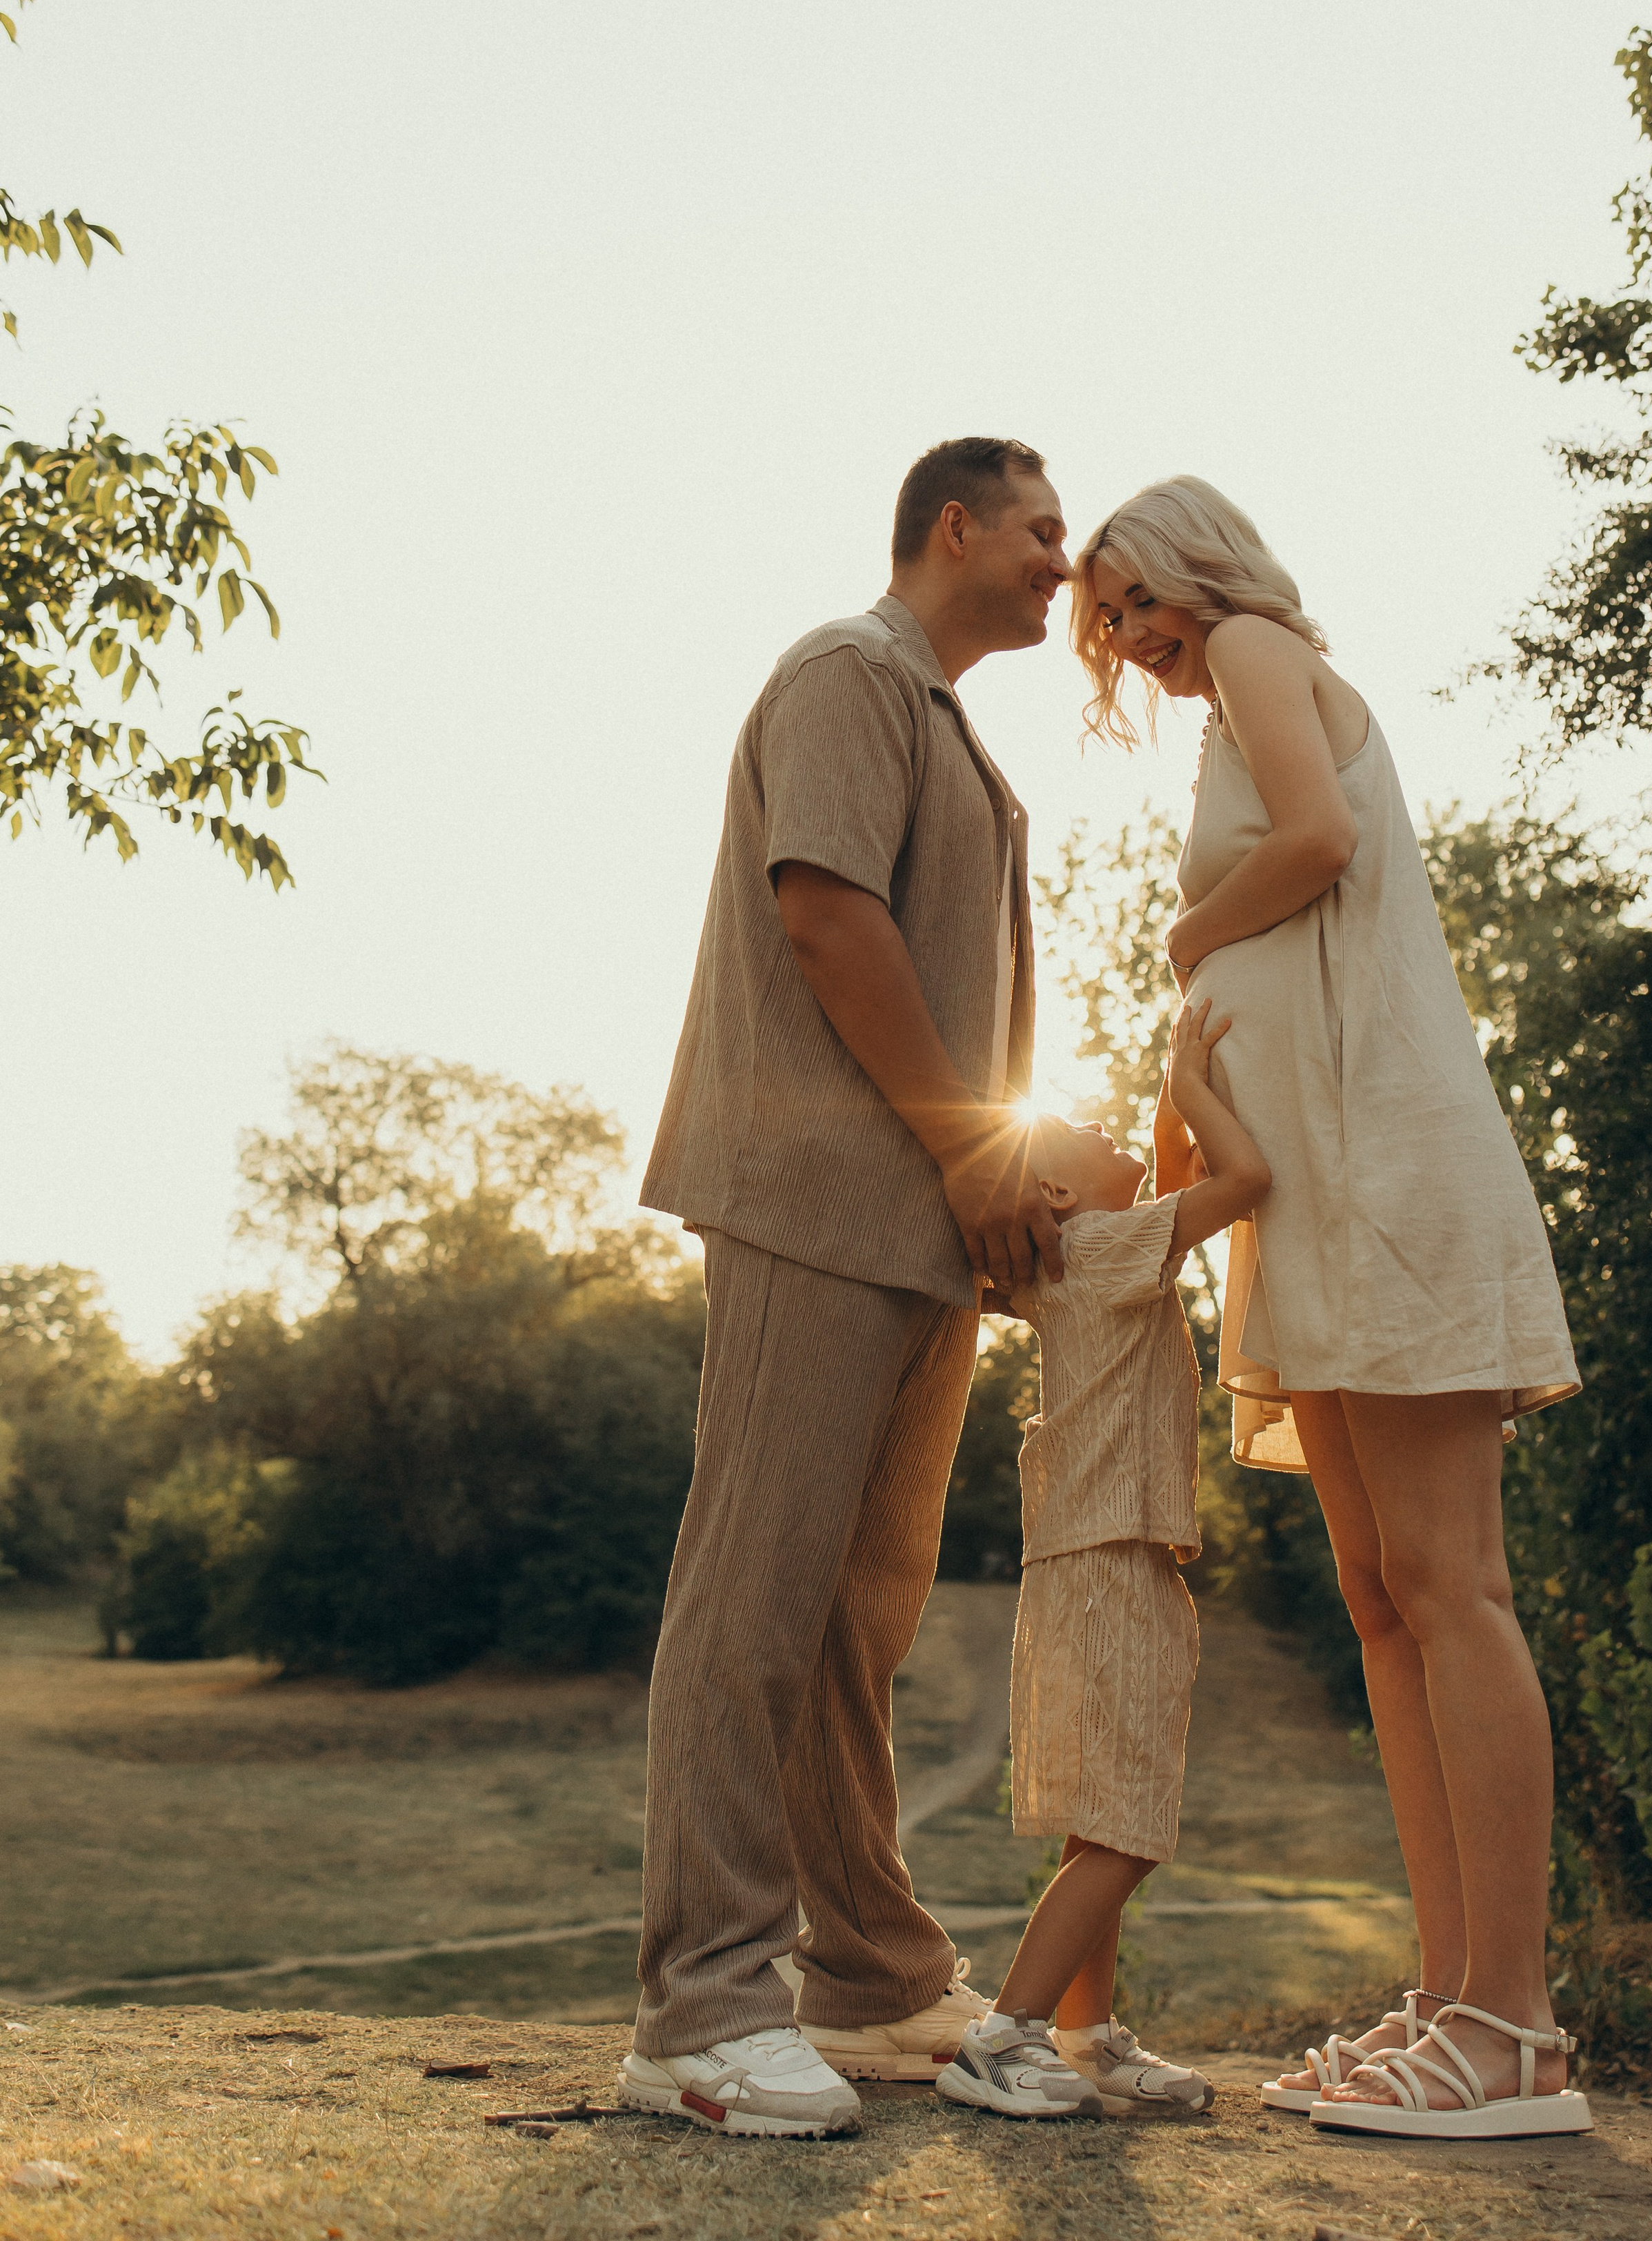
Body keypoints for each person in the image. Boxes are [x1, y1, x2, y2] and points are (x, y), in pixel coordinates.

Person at [1069, 477, 1592, 2142]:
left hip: (1387, 1180)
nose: (1131, 634)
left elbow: (1318, 843)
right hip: (1316, 1200)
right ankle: (1451, 1997)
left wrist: (1182, 936)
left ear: (1207, 572)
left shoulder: (1254, 649)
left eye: (1140, 597)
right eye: (1106, 619)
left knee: (1449, 1585)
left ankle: (1513, 2026)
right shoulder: (1227, 701)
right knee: (1379, 1599)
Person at [618, 436, 1073, 2140]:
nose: (1061, 562)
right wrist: (967, 1143)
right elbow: (822, 913)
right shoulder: (847, 673)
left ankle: (871, 1978)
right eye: (1040, 531)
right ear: (951, 525)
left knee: (848, 1623)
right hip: (816, 1207)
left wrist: (993, 1177)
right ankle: (699, 2013)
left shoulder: (941, 719)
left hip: (918, 1233)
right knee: (749, 1601)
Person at [935, 998, 1270, 2123]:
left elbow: (1172, 1164)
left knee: (1105, 1815)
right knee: (1127, 1829)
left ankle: (1085, 2034)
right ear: (1059, 1194)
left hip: (1091, 1560)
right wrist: (1196, 1084)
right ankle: (1005, 2037)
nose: (1104, 1124)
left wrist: (1178, 1088)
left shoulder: (1095, 1255)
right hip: (1110, 1560)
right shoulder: (1109, 1247)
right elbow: (1244, 1178)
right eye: (1078, 1128)